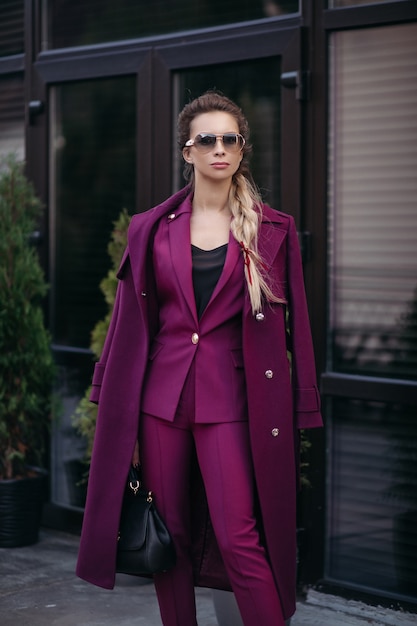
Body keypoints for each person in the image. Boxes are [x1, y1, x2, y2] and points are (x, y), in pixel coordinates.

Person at [76, 91, 323, 626]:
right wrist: (108, 396)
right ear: (187, 152)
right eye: (206, 139)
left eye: (229, 139)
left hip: (232, 402)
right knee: (173, 537)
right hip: (160, 402)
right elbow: (127, 322)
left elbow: (295, 325)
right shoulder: (150, 228)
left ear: (241, 151)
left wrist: (303, 402)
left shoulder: (272, 229)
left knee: (240, 537)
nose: (219, 148)